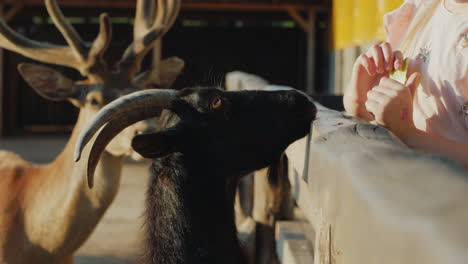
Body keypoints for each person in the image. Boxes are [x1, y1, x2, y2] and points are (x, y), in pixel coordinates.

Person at [343, 0, 468, 169]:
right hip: (405, 179)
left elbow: (403, 128)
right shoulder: (422, 9)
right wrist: (362, 102)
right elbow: (393, 119)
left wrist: (409, 135)